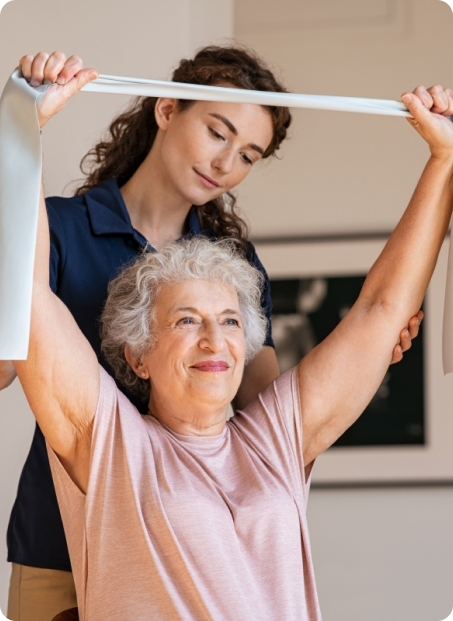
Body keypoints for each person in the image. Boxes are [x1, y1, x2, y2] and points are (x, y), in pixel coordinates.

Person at [1, 50, 422, 621]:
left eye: (247, 154)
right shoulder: (61, 228)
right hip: (60, 542)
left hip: (198, 537)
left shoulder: (234, 265)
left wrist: (366, 357)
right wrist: (21, 120)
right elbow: (8, 361)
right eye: (217, 133)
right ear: (168, 109)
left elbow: (263, 408)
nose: (225, 162)